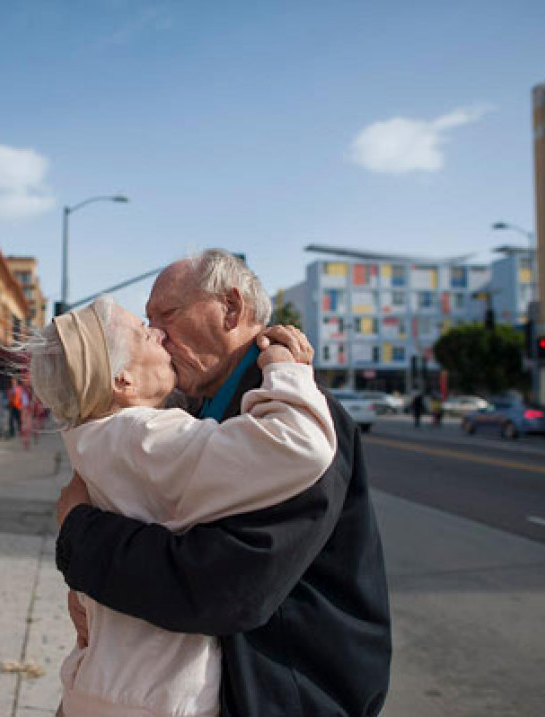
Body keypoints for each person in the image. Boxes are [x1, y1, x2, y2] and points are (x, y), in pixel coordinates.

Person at [55, 250, 392, 716]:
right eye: (147, 322)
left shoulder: (300, 419)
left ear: (231, 309)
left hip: (290, 693)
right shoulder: (197, 411)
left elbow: (220, 587)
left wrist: (77, 533)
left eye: (166, 315)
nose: (157, 334)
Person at [24, 295, 334, 716]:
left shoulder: (95, 438)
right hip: (155, 698)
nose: (159, 334)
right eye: (143, 330)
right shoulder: (144, 436)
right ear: (122, 381)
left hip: (106, 683)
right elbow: (300, 444)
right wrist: (286, 369)